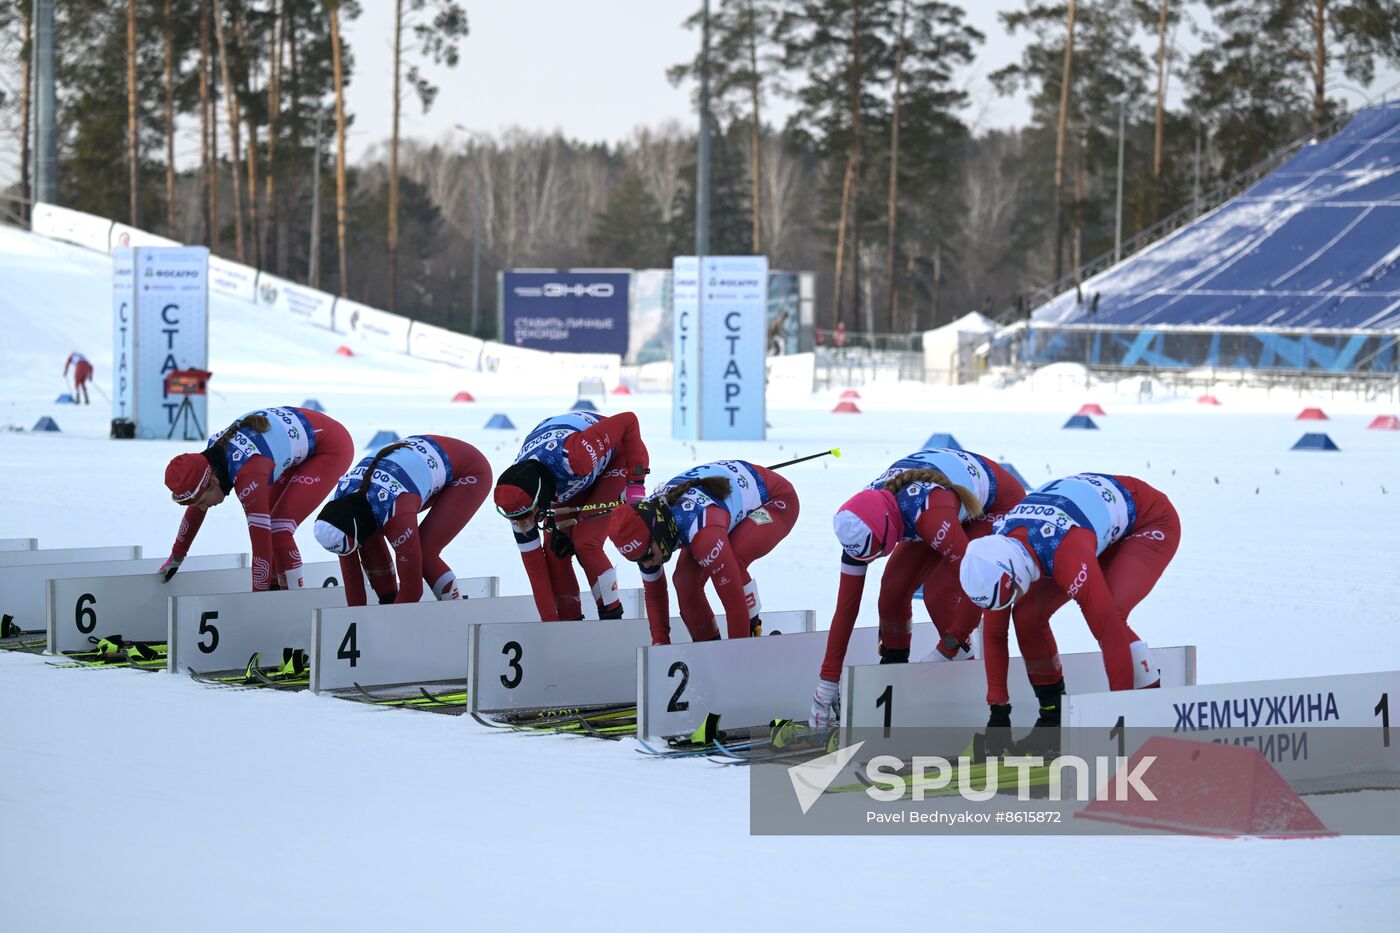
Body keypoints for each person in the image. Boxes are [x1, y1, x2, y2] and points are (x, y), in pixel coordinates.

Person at [809, 448, 1027, 729]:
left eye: (876, 553)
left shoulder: (929, 516)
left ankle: (972, 687)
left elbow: (978, 584)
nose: (870, 560)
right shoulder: (860, 518)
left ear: (889, 533)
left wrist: (947, 647)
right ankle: (893, 676)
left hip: (997, 505)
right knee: (892, 590)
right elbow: (846, 607)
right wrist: (827, 679)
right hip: (933, 504)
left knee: (939, 593)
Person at [958, 472, 1180, 745]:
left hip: (1147, 521)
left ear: (1018, 576)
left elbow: (1108, 634)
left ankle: (1146, 715)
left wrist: (1119, 716)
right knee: (1027, 616)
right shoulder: (996, 555)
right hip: (1080, 526)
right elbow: (994, 635)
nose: (1009, 601)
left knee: (1113, 614)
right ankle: (1053, 720)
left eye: (1011, 594)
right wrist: (998, 712)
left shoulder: (1065, 552)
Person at [606, 459, 800, 645]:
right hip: (719, 507)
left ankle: (753, 633)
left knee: (734, 559)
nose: (646, 563)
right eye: (637, 560)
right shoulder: (644, 526)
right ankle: (707, 647)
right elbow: (655, 594)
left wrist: (738, 659)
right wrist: (660, 646)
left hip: (775, 500)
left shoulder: (702, 532)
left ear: (658, 533)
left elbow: (735, 606)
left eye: (647, 555)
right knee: (685, 581)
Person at [161, 406, 354, 591]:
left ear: (212, 481)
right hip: (298, 441)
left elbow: (260, 546)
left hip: (331, 446)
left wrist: (257, 605)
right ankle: (278, 593)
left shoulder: (249, 474)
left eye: (203, 502)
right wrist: (177, 556)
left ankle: (295, 603)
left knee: (279, 529)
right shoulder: (210, 460)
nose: (206, 506)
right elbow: (196, 506)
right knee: (270, 526)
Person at [493, 410, 649, 621]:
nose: (523, 524)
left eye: (529, 516)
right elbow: (535, 568)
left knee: (586, 542)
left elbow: (629, 420)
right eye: (517, 519)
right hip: (569, 476)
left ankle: (612, 621)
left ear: (540, 500)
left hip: (618, 456)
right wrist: (552, 626)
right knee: (555, 550)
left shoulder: (575, 457)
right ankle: (570, 624)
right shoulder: (517, 499)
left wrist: (635, 484)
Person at [313, 435, 492, 605]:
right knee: (369, 537)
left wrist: (391, 626)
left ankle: (457, 614)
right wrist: (357, 621)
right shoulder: (337, 512)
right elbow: (351, 575)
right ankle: (388, 601)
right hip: (416, 464)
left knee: (425, 554)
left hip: (468, 470)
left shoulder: (396, 513)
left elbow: (412, 590)